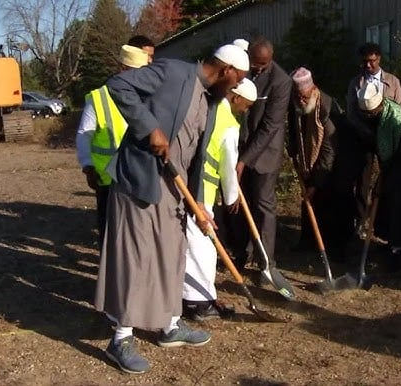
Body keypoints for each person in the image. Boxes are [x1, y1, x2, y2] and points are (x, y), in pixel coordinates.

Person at [94, 44, 249, 374]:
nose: (236, 88)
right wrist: (150, 128)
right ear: (227, 70)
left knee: (172, 256)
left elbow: (194, 156)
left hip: (175, 190)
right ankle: (120, 338)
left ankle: (169, 325)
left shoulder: (210, 100)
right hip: (140, 181)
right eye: (238, 80)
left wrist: (198, 206)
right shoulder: (173, 71)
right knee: (135, 258)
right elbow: (118, 85)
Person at [182, 78, 257, 320]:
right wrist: (232, 195)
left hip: (185, 179)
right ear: (236, 98)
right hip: (203, 188)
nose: (246, 110)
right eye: (246, 105)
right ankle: (199, 302)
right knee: (203, 245)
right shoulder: (229, 124)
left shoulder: (209, 107)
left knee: (190, 241)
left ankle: (190, 296)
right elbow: (227, 166)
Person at [346, 82, 401, 271]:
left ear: (380, 106)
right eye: (365, 114)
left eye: (371, 113)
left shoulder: (397, 119)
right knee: (386, 203)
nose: (368, 117)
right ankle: (391, 243)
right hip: (394, 163)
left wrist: (383, 179)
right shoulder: (376, 117)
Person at [228, 37, 292, 280]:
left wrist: (243, 161)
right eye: (255, 64)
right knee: (238, 201)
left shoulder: (281, 81)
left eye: (263, 65)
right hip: (238, 146)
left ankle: (266, 262)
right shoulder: (243, 69)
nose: (258, 69)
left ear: (270, 59)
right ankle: (241, 251)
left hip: (264, 153)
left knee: (263, 205)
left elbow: (270, 126)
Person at [75, 45, 150, 246]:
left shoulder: (149, 96)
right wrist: (88, 166)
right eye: (135, 72)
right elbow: (84, 134)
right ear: (122, 69)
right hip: (108, 178)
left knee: (136, 234)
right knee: (110, 233)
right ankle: (109, 274)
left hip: (139, 177)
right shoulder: (100, 97)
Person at [286, 67, 347, 260]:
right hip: (308, 160)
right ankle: (308, 239)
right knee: (308, 201)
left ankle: (332, 246)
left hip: (332, 162)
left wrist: (316, 183)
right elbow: (295, 132)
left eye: (304, 97)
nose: (301, 101)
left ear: (312, 90)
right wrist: (294, 151)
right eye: (298, 97)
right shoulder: (296, 104)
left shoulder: (328, 109)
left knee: (328, 200)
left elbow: (329, 151)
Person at [345, 42, 401, 237]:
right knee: (362, 182)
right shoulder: (356, 83)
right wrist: (365, 132)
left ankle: (382, 221)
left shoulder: (393, 81)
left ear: (378, 58)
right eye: (364, 62)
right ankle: (361, 221)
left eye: (371, 61)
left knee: (387, 179)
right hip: (364, 137)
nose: (368, 66)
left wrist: (387, 133)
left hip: (387, 135)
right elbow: (351, 113)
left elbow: (399, 108)